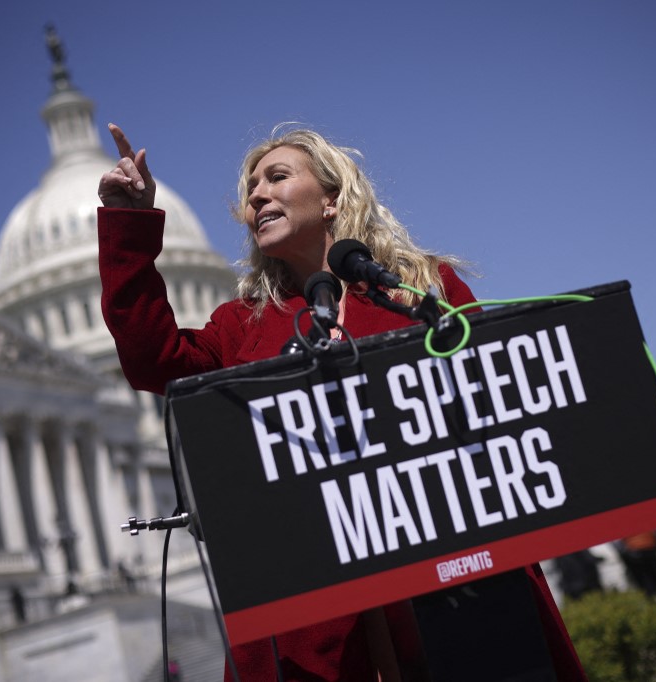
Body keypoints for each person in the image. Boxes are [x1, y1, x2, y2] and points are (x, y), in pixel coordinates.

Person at [97, 123, 586, 681]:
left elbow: (499, 399)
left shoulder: (423, 288)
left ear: (331, 199)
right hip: (313, 633)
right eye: (251, 187)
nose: (256, 195)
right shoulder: (240, 327)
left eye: (277, 177)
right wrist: (129, 225)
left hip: (460, 595)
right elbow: (150, 357)